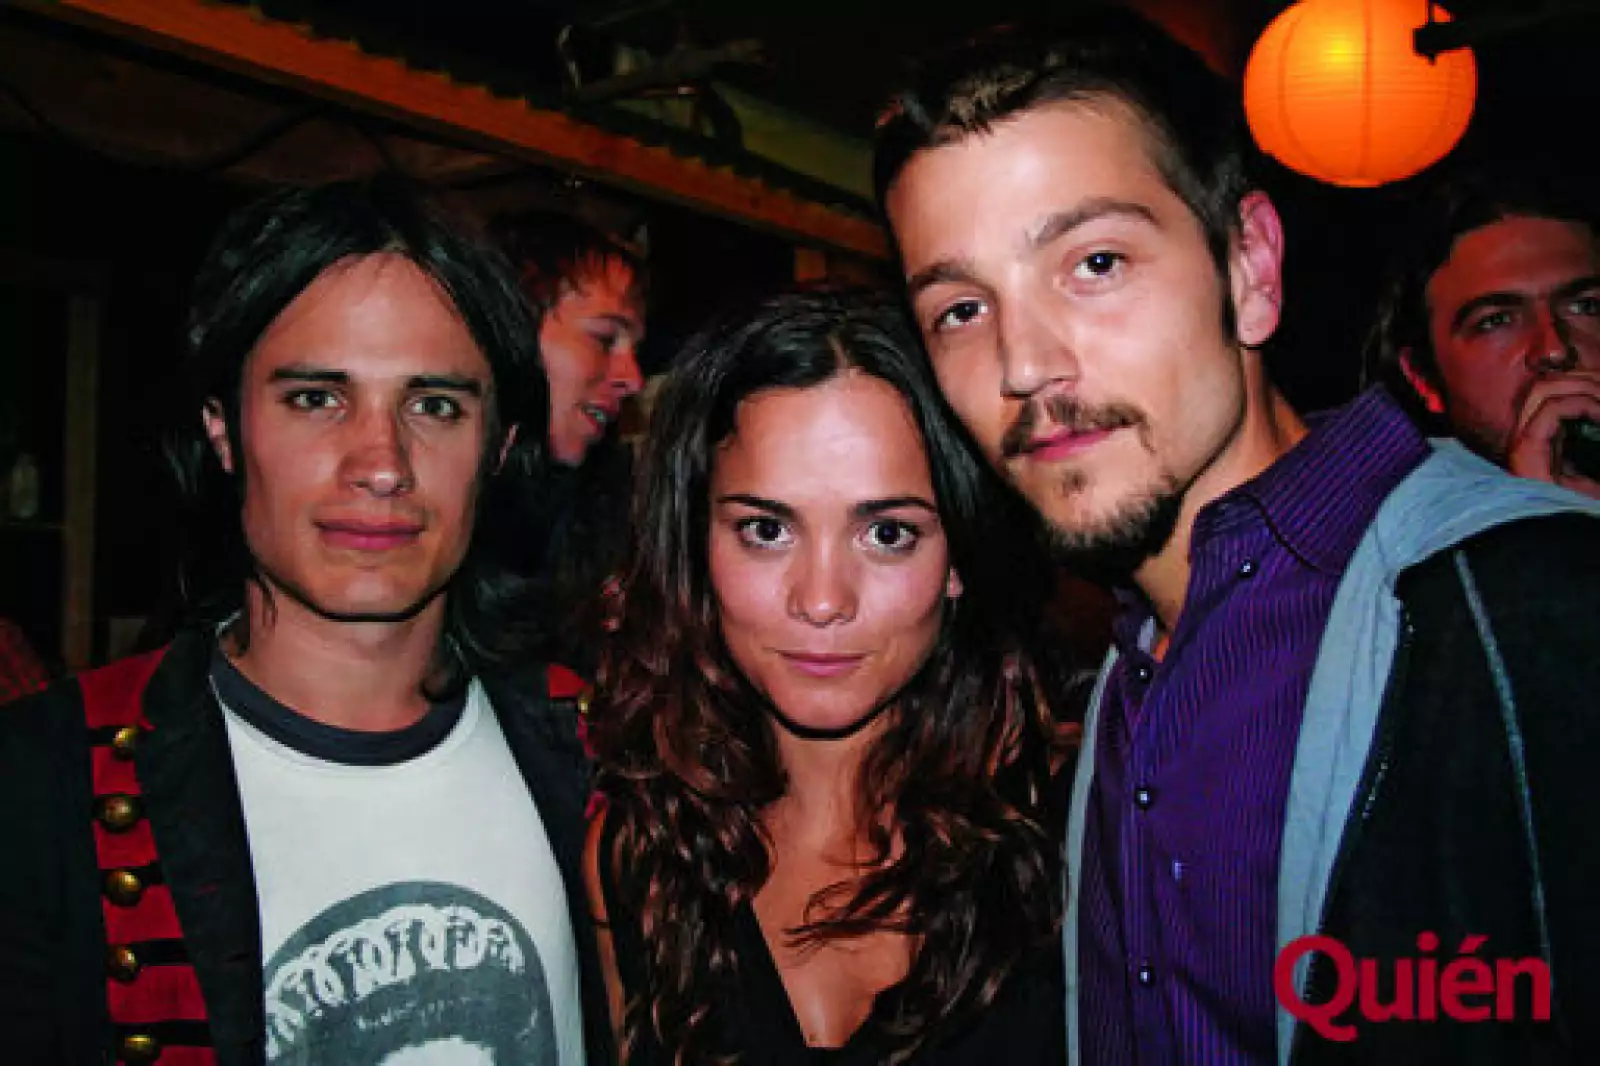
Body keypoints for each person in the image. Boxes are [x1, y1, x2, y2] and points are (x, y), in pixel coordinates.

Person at [873, 10, 1600, 1066]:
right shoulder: (1123, 671)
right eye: (960, 309)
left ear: (1250, 265)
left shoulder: (1532, 604)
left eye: (1096, 262)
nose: (1023, 363)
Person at [0, 178, 608, 1065]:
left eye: (434, 405)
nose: (382, 463)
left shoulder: (603, 752)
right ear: (222, 429)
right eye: (317, 397)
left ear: (500, 447)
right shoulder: (41, 786)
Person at [584, 286, 1075, 1064]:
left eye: (886, 533)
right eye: (767, 529)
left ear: (957, 559)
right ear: (697, 547)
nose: (821, 600)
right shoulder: (642, 856)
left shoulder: (1074, 833)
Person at [1368, 166, 1600, 499]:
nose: (1554, 350)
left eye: (1586, 308)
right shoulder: (1400, 531)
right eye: (1496, 321)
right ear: (1422, 377)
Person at [490, 209, 649, 676]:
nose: (633, 379)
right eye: (604, 339)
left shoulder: (591, 513)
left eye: (635, 351)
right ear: (512, 328)